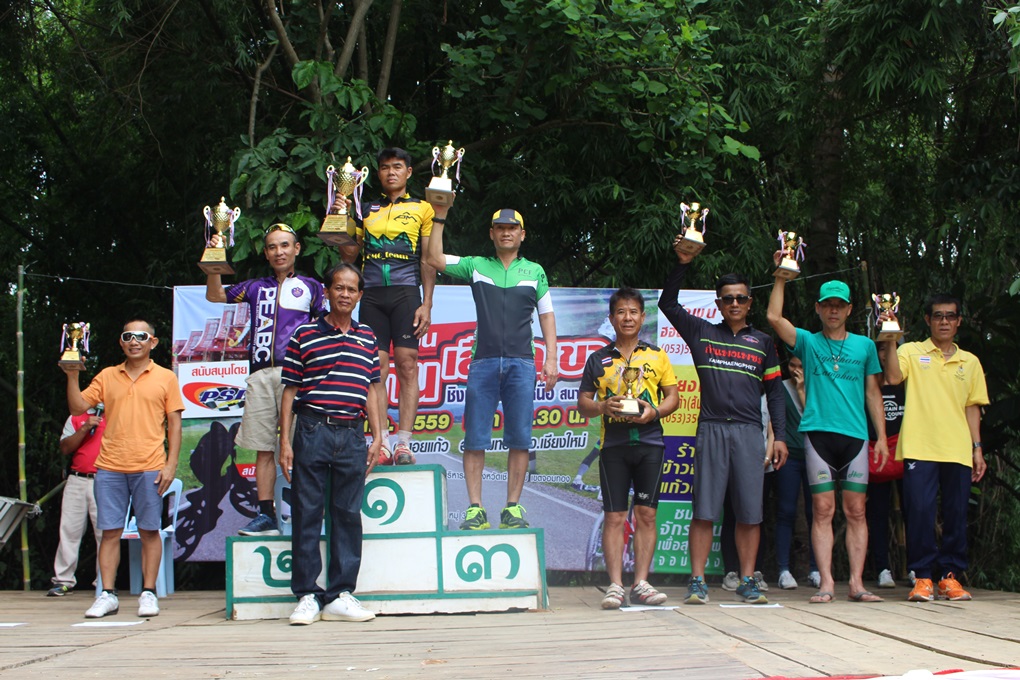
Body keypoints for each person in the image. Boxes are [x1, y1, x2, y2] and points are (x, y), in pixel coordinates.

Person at [658, 248, 787, 606]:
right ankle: (697, 581)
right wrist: (682, 263)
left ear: (750, 303)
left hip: (749, 432)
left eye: (741, 298)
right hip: (711, 428)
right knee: (704, 511)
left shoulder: (763, 342)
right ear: (718, 303)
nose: (734, 304)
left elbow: (776, 394)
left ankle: (747, 580)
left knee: (750, 513)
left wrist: (779, 436)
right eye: (728, 298)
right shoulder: (701, 331)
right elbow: (668, 304)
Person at [424, 205, 558, 531]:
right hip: (482, 361)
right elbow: (434, 258)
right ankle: (475, 509)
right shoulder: (476, 265)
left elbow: (547, 315)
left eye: (512, 228)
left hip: (522, 362)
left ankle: (512, 508)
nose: (506, 232)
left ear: (522, 235)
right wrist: (439, 215)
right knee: (475, 438)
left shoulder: (535, 271)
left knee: (520, 438)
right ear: (492, 233)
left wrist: (552, 358)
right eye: (500, 227)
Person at [767, 272, 889, 604]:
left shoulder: (864, 346)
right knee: (822, 509)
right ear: (818, 309)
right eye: (827, 305)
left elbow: (873, 393)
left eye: (839, 305)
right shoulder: (808, 342)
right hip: (818, 436)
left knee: (856, 510)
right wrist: (781, 278)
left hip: (855, 437)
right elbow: (774, 317)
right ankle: (827, 583)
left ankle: (856, 584)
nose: (833, 310)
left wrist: (880, 437)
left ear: (849, 309)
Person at [278, 263, 384, 625]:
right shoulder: (305, 334)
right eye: (339, 287)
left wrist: (378, 436)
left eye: (352, 289)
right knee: (307, 512)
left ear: (360, 295)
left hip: (353, 433)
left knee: (347, 515)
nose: (345, 294)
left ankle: (340, 594)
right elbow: (290, 391)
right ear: (326, 292)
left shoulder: (367, 337)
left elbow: (371, 389)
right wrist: (284, 442)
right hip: (312, 429)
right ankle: (307, 595)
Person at [206, 223, 326, 536]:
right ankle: (266, 515)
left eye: (285, 245)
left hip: (298, 375)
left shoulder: (312, 286)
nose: (279, 252)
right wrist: (214, 260)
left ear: (296, 249)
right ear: (266, 253)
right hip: (260, 374)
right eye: (272, 247)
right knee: (263, 448)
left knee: (304, 446)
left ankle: (309, 514)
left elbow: (324, 328)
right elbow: (215, 294)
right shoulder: (255, 287)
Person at [61, 320, 184, 618]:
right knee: (109, 532)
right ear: (121, 342)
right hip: (109, 467)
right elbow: (78, 408)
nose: (134, 341)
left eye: (141, 336)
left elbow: (175, 424)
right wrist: (73, 375)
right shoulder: (107, 375)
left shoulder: (166, 377)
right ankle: (107, 594)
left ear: (153, 342)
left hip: (150, 466)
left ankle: (149, 593)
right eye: (128, 336)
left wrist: (170, 465)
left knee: (149, 531)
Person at [879, 294, 988, 602]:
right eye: (938, 316)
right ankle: (923, 576)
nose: (944, 321)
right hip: (920, 446)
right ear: (928, 320)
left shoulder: (970, 362)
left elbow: (972, 407)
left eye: (950, 316)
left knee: (956, 514)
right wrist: (890, 338)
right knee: (919, 512)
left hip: (957, 449)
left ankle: (950, 577)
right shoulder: (911, 351)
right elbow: (892, 377)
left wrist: (977, 447)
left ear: (959, 321)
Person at [577, 287, 679, 608]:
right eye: (621, 312)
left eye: (633, 312)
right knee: (615, 516)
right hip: (614, 446)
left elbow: (673, 398)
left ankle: (642, 583)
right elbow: (583, 403)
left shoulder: (657, 355)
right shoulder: (598, 359)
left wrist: (655, 412)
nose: (627, 317)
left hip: (651, 444)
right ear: (611, 318)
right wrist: (602, 406)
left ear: (643, 317)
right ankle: (615, 586)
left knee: (646, 514)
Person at [339, 148, 435, 466]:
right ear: (377, 173)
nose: (391, 172)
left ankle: (404, 443)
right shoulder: (365, 209)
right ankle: (380, 441)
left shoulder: (423, 208)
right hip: (372, 296)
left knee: (407, 365)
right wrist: (344, 218)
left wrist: (427, 303)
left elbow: (427, 259)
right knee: (375, 369)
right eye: (384, 168)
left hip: (406, 294)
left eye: (397, 167)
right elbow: (349, 256)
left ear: (408, 172)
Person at [47, 406, 106, 597]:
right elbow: (65, 448)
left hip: (106, 479)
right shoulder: (76, 416)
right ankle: (63, 580)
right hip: (77, 478)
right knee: (69, 531)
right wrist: (84, 428)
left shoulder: (119, 413)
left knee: (105, 534)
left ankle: (104, 583)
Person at [774, 356, 820, 590]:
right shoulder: (780, 388)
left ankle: (816, 569)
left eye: (801, 366)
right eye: (792, 365)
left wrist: (802, 390)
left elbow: (816, 418)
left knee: (817, 512)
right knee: (786, 510)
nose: (796, 370)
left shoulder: (819, 386)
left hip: (816, 455)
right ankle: (783, 570)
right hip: (789, 455)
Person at [866, 340, 905, 589]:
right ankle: (882, 568)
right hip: (875, 452)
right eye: (881, 349)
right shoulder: (868, 380)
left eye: (890, 349)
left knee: (914, 510)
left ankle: (916, 568)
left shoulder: (907, 381)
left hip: (904, 450)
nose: (885, 354)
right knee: (877, 513)